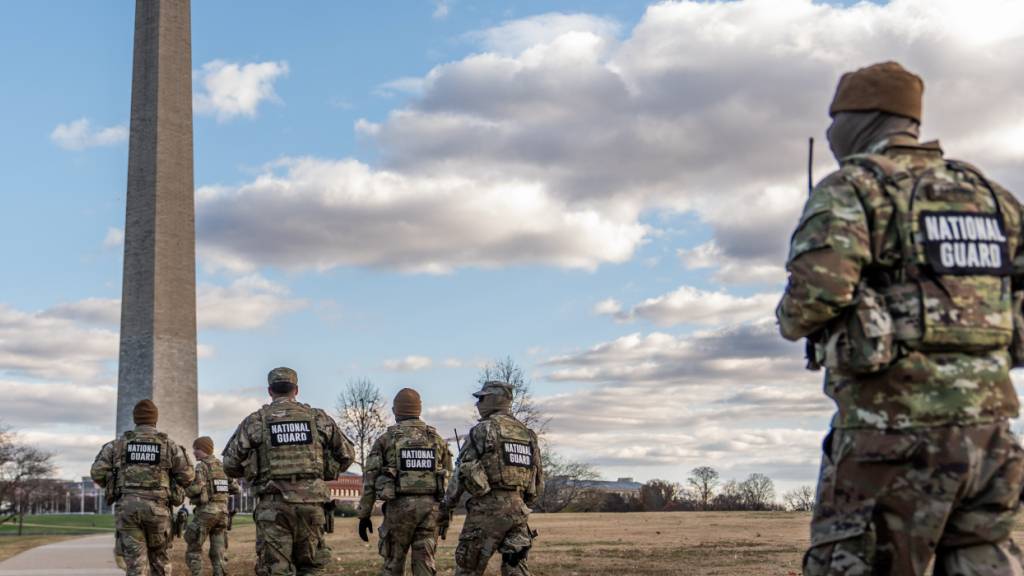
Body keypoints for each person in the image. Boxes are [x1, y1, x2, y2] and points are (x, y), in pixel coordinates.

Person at [777, 61, 1024, 575]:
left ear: (862, 118)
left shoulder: (855, 187)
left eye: (835, 118)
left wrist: (795, 318)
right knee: (983, 561)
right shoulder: (990, 196)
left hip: (889, 436)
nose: (828, 132)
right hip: (990, 437)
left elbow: (814, 297)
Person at [222, 367, 355, 576]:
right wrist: (324, 472)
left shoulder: (257, 421)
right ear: (296, 390)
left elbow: (229, 463)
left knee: (276, 570)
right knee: (311, 568)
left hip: (274, 505)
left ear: (270, 391)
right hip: (311, 505)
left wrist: (252, 473)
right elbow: (347, 454)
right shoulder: (318, 418)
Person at [443, 381, 543, 576]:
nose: (478, 404)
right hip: (519, 510)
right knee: (516, 569)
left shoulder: (483, 430)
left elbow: (461, 472)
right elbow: (538, 478)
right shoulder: (528, 434)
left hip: (487, 510)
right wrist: (524, 504)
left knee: (468, 568)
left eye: (481, 398)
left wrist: (447, 506)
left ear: (494, 399)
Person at [91, 399, 195, 576]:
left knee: (135, 566)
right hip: (159, 509)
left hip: (128, 509)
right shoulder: (169, 445)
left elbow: (97, 473)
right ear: (155, 420)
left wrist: (112, 480)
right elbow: (188, 476)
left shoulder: (116, 445)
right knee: (160, 563)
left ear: (135, 419)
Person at [356, 388, 453, 576]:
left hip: (399, 509)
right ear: (419, 410)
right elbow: (450, 477)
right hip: (430, 510)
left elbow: (370, 478)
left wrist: (364, 514)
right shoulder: (437, 439)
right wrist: (445, 512)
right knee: (425, 563)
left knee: (393, 563)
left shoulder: (386, 440)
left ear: (396, 411)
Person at [185, 436, 240, 576]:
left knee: (193, 549)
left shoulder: (201, 466)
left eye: (196, 449)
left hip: (206, 513)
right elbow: (236, 488)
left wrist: (186, 489)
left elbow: (196, 488)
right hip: (222, 514)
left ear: (203, 449)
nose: (194, 452)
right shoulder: (222, 466)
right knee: (218, 553)